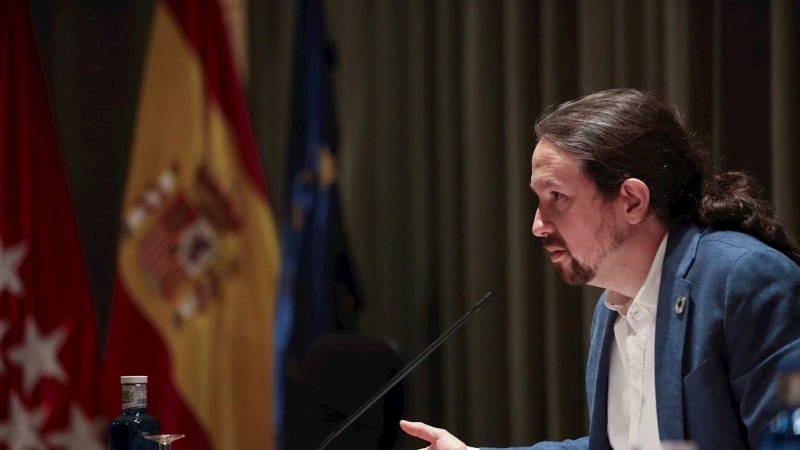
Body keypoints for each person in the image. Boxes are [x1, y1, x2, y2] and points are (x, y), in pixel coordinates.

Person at [400, 88, 800, 450]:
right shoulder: (613, 307)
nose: (538, 225)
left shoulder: (746, 280)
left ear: (631, 201)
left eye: (557, 197)